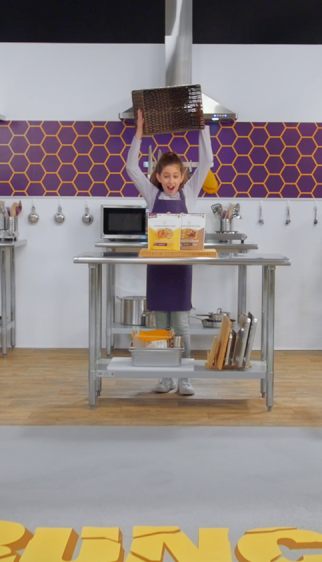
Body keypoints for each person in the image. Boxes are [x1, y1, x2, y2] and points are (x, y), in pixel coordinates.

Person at [125, 109, 214, 396]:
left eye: (176, 175)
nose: (171, 180)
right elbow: (131, 167)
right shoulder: (152, 194)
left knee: (182, 325)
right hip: (158, 269)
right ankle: (166, 378)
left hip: (180, 269)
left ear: (183, 176)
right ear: (158, 177)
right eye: (166, 176)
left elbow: (207, 161)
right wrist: (139, 133)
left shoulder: (190, 193)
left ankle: (185, 378)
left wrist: (202, 128)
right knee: (161, 326)